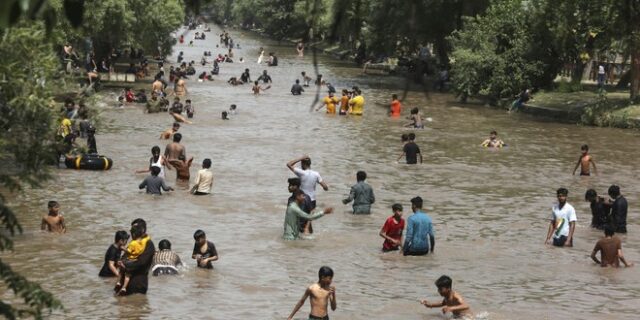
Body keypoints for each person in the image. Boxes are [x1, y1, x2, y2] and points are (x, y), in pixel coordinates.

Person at [287, 155, 329, 234]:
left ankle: (299, 236)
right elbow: (325, 187)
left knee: (300, 219)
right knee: (309, 219)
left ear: (303, 164)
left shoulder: (301, 173)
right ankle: (310, 234)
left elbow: (289, 164)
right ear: (310, 164)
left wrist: (300, 158)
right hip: (312, 200)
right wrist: (325, 188)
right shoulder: (316, 174)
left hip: (302, 199)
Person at [116, 218, 155, 295]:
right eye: (131, 230)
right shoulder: (134, 243)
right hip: (126, 283)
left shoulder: (149, 244)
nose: (132, 233)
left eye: (134, 230)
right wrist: (120, 261)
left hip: (137, 284)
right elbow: (126, 255)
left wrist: (126, 265)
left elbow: (142, 262)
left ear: (142, 230)